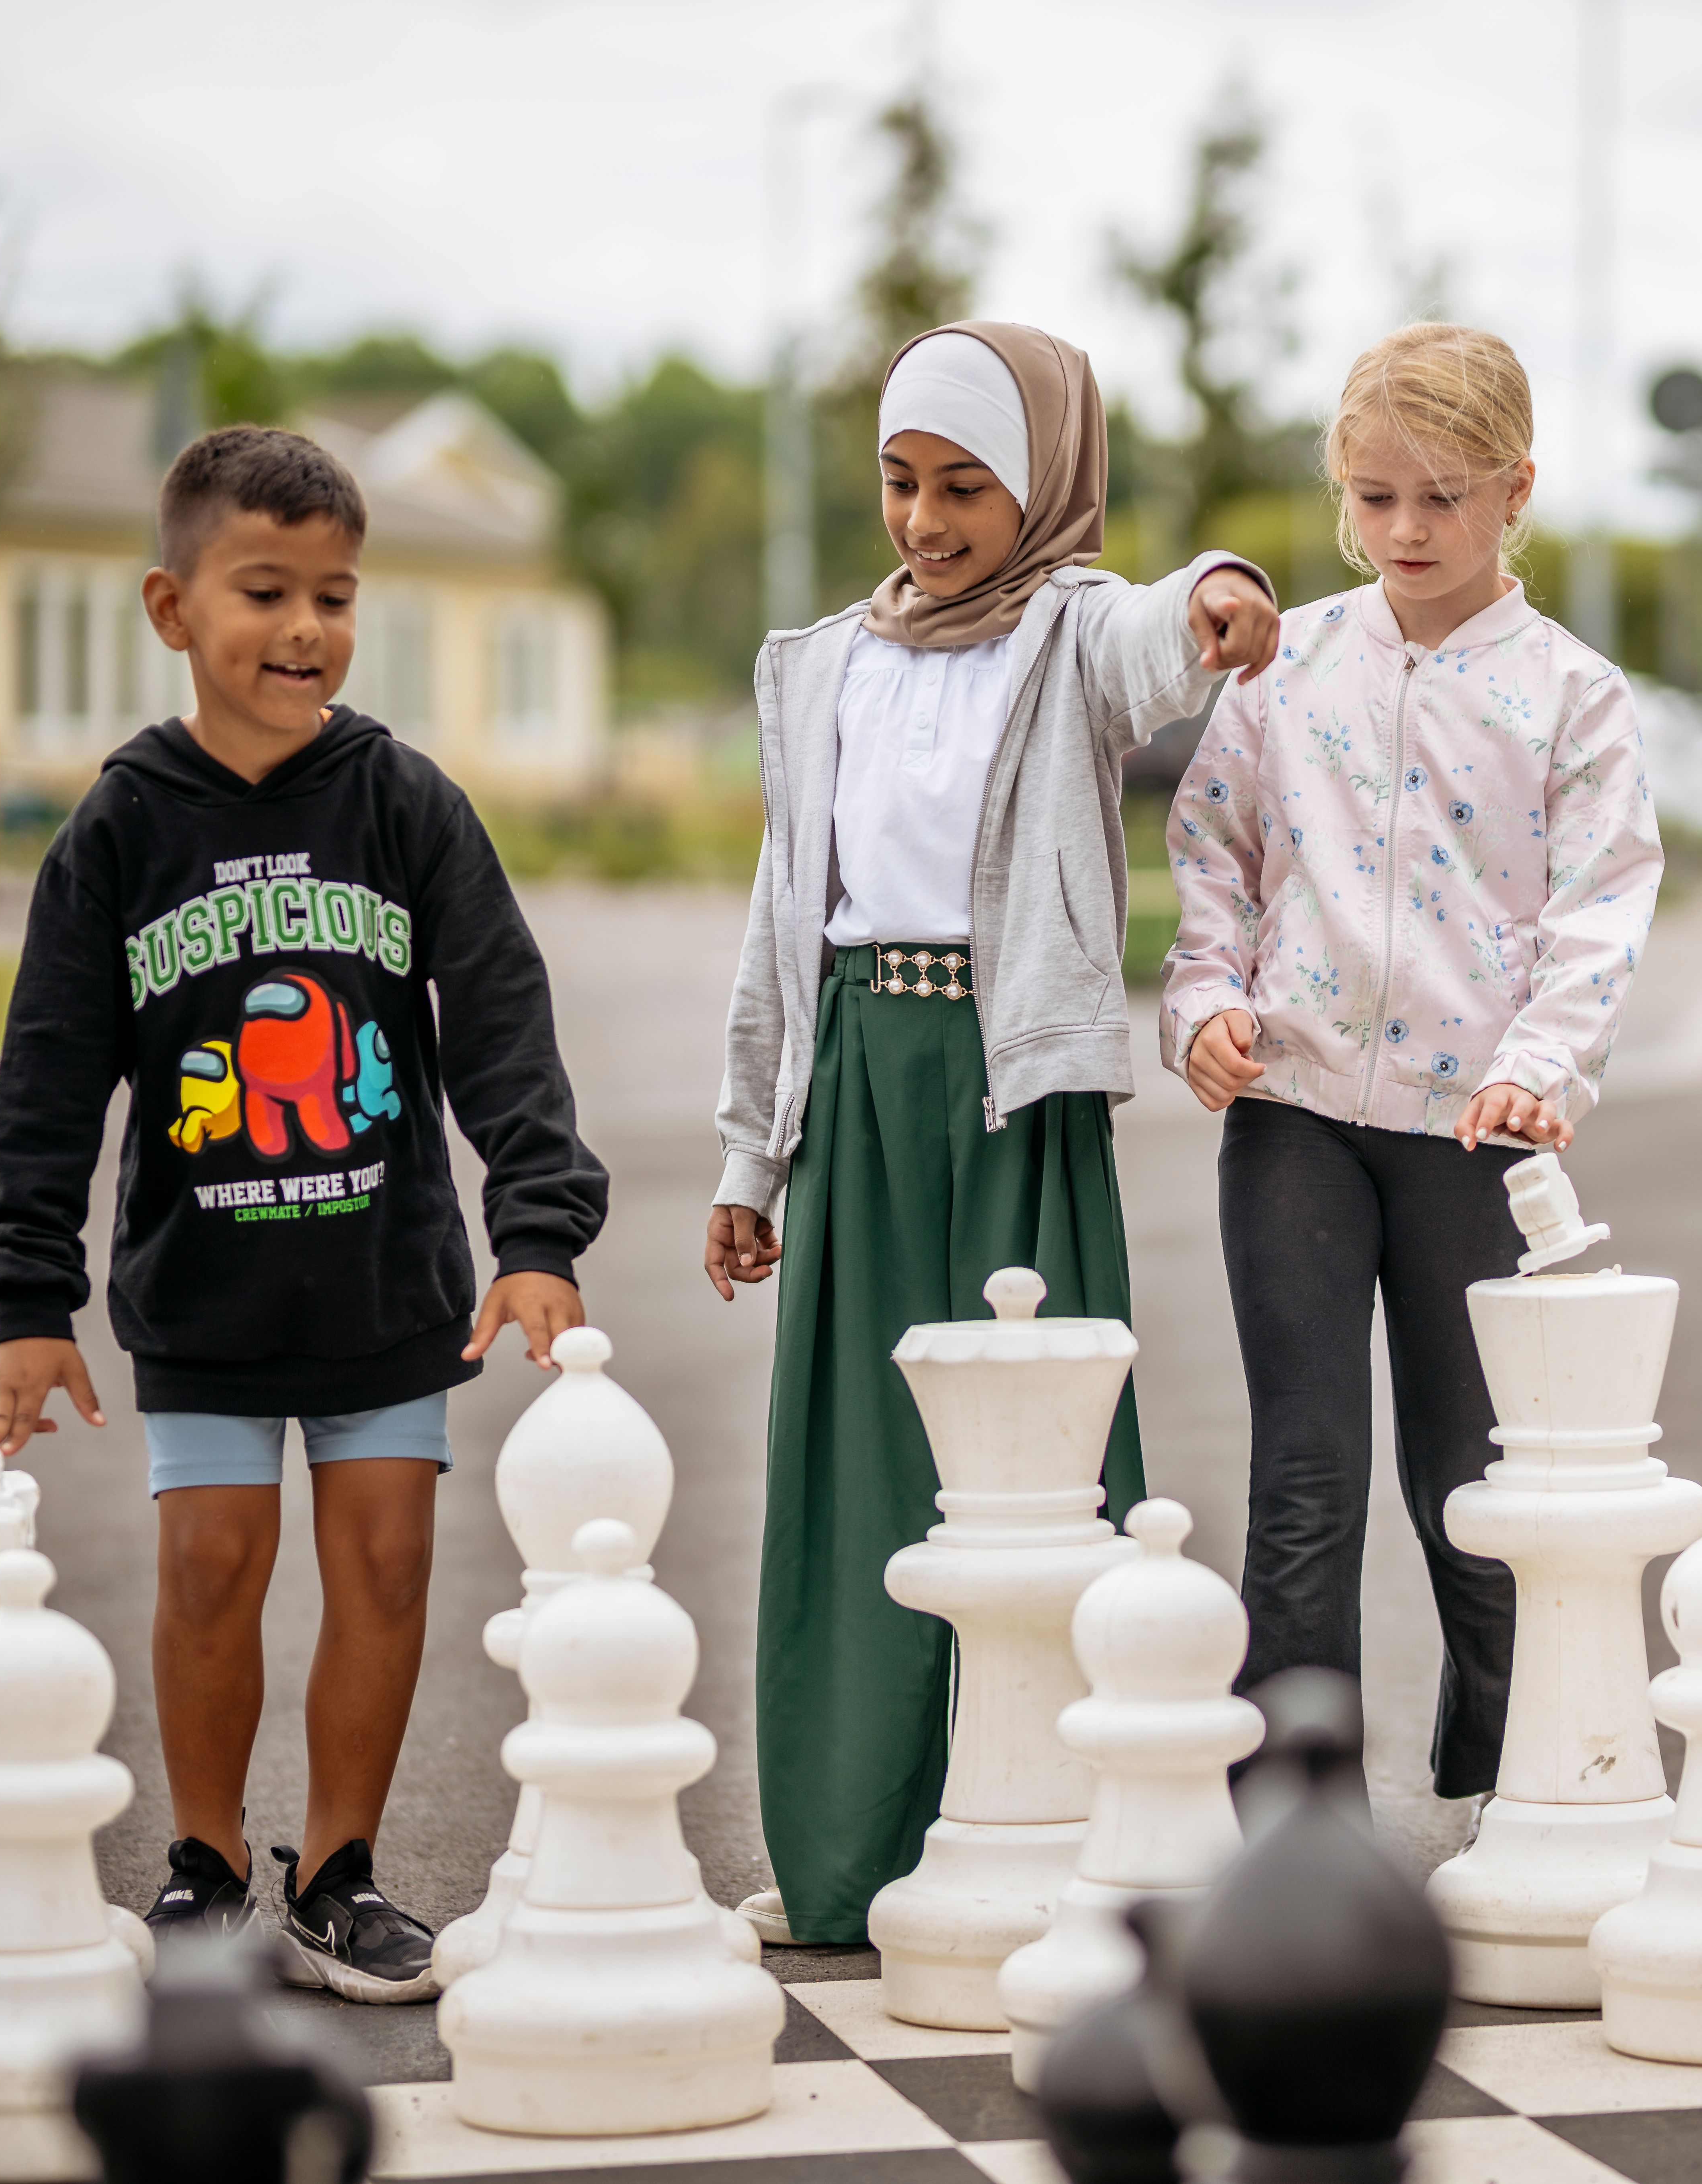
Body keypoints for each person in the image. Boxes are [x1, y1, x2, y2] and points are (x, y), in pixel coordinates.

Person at [0, 425, 606, 2002]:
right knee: (211, 1568)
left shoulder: (403, 802)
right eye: (267, 591)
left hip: (385, 1278)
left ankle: (338, 1873)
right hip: (206, 1290)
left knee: (386, 1565)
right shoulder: (120, 830)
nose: (308, 628)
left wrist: (537, 1234)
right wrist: (27, 1298)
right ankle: (202, 1865)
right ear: (171, 606)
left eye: (335, 593)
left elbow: (504, 1017)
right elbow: (52, 1069)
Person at [704, 321, 1279, 1946]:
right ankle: (846, 1861)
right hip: (857, 1080)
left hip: (1008, 1080)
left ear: (1040, 489)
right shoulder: (821, 663)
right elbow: (777, 922)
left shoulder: (1069, 631)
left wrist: (1221, 594)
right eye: (900, 481)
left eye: (965, 485)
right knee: (855, 1463)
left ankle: (1100, 1843)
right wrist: (754, 1155)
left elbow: (1162, 638)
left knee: (1045, 1466)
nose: (927, 518)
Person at [1161, 323, 1663, 1810]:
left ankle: (1518, 1791)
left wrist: (1542, 1068)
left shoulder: (1574, 695)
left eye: (1442, 497)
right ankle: (1293, 1814)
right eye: (1374, 498)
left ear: (1517, 491)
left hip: (1477, 1139)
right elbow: (1211, 859)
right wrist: (1202, 1002)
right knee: (1303, 1486)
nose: (1406, 531)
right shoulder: (1288, 667)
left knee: (1473, 1490)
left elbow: (1602, 902)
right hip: (1295, 1121)